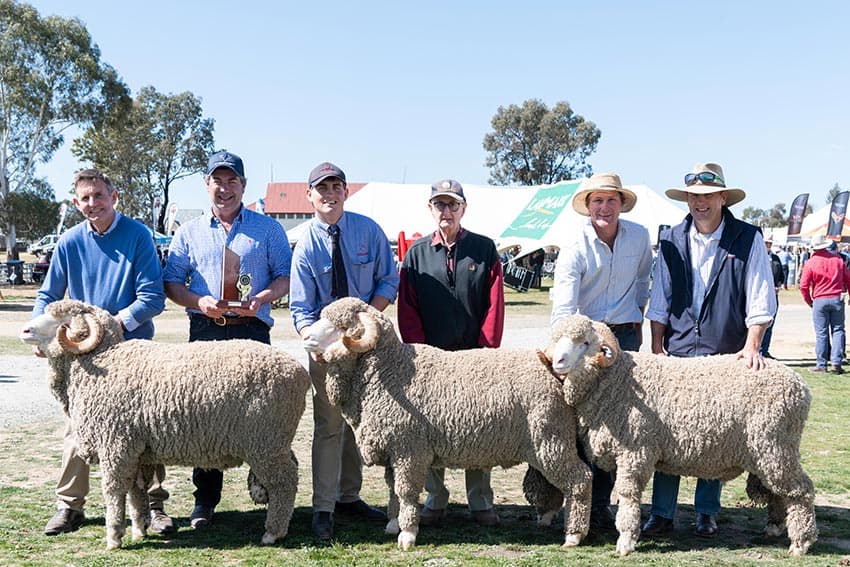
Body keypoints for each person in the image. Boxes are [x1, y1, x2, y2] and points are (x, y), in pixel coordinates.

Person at [33, 169, 169, 536]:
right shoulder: (69, 242)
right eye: (85, 198)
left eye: (98, 195)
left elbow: (152, 297)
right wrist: (39, 328)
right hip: (84, 353)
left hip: (133, 350)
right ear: (77, 205)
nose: (93, 203)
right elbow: (48, 295)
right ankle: (70, 505)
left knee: (148, 427)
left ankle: (153, 506)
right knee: (79, 424)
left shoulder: (138, 235)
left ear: (114, 196)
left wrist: (112, 326)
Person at [643, 162, 776, 539]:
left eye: (706, 196)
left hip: (725, 350)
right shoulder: (670, 238)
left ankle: (706, 512)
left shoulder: (747, 238)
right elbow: (660, 297)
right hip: (679, 349)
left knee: (712, 433)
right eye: (693, 197)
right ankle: (662, 513)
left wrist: (753, 345)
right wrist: (656, 345)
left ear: (722, 197)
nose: (699, 203)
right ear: (687, 199)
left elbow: (760, 295)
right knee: (666, 431)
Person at [163, 150, 292, 529]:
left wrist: (263, 299)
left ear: (243, 186)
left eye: (232, 180)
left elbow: (284, 276)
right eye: (217, 181)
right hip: (206, 331)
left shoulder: (268, 229)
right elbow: (171, 283)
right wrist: (199, 301)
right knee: (203, 418)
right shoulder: (187, 232)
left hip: (252, 331)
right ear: (207, 186)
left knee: (260, 416)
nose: (225, 188)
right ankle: (205, 501)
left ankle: (268, 488)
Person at [290, 161, 399, 541]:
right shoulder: (305, 245)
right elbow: (300, 308)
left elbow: (389, 278)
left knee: (361, 423)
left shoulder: (368, 230)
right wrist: (316, 341)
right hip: (327, 352)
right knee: (329, 425)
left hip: (370, 347)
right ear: (310, 196)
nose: (329, 194)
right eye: (322, 189)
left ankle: (349, 495)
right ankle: (323, 508)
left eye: (336, 187)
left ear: (345, 192)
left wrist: (368, 321)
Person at [397, 179, 505, 528]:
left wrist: (487, 352)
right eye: (439, 205)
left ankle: (480, 500)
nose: (446, 211)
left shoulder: (484, 248)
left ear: (463, 208)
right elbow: (408, 308)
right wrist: (418, 353)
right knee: (427, 428)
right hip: (431, 361)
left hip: (475, 358)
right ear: (430, 209)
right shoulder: (416, 254)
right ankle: (435, 496)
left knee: (479, 427)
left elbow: (494, 304)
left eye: (453, 205)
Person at [550, 172, 652, 530]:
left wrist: (637, 316)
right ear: (588, 206)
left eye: (611, 200)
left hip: (623, 335)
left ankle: (603, 504)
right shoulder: (575, 242)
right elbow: (564, 303)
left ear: (622, 204)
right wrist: (567, 344)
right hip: (583, 339)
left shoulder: (639, 237)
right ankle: (579, 500)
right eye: (597, 201)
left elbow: (642, 278)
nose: (604, 208)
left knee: (620, 424)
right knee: (581, 421)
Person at [799, 234, 850, 374]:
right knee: (838, 330)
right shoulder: (838, 259)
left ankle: (821, 364)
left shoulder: (810, 262)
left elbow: (803, 286)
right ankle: (836, 362)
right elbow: (848, 279)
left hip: (819, 299)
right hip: (836, 298)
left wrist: (809, 301)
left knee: (821, 333)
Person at [760, 237, 785, 358]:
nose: (768, 245)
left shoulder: (775, 258)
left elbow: (781, 275)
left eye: (770, 243)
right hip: (759, 296)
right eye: (766, 243)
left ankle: (764, 350)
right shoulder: (756, 256)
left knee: (769, 324)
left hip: (773, 296)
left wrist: (778, 285)